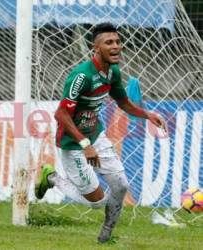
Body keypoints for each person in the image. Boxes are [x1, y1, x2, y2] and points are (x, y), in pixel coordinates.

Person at [35, 23, 167, 243]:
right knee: (96, 202)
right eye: (109, 43)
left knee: (121, 185)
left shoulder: (113, 72)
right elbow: (61, 115)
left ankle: (106, 235)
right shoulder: (81, 77)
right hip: (73, 142)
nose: (116, 46)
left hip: (96, 135)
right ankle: (52, 177)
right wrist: (85, 144)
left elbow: (123, 103)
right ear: (95, 48)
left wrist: (147, 114)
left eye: (117, 41)